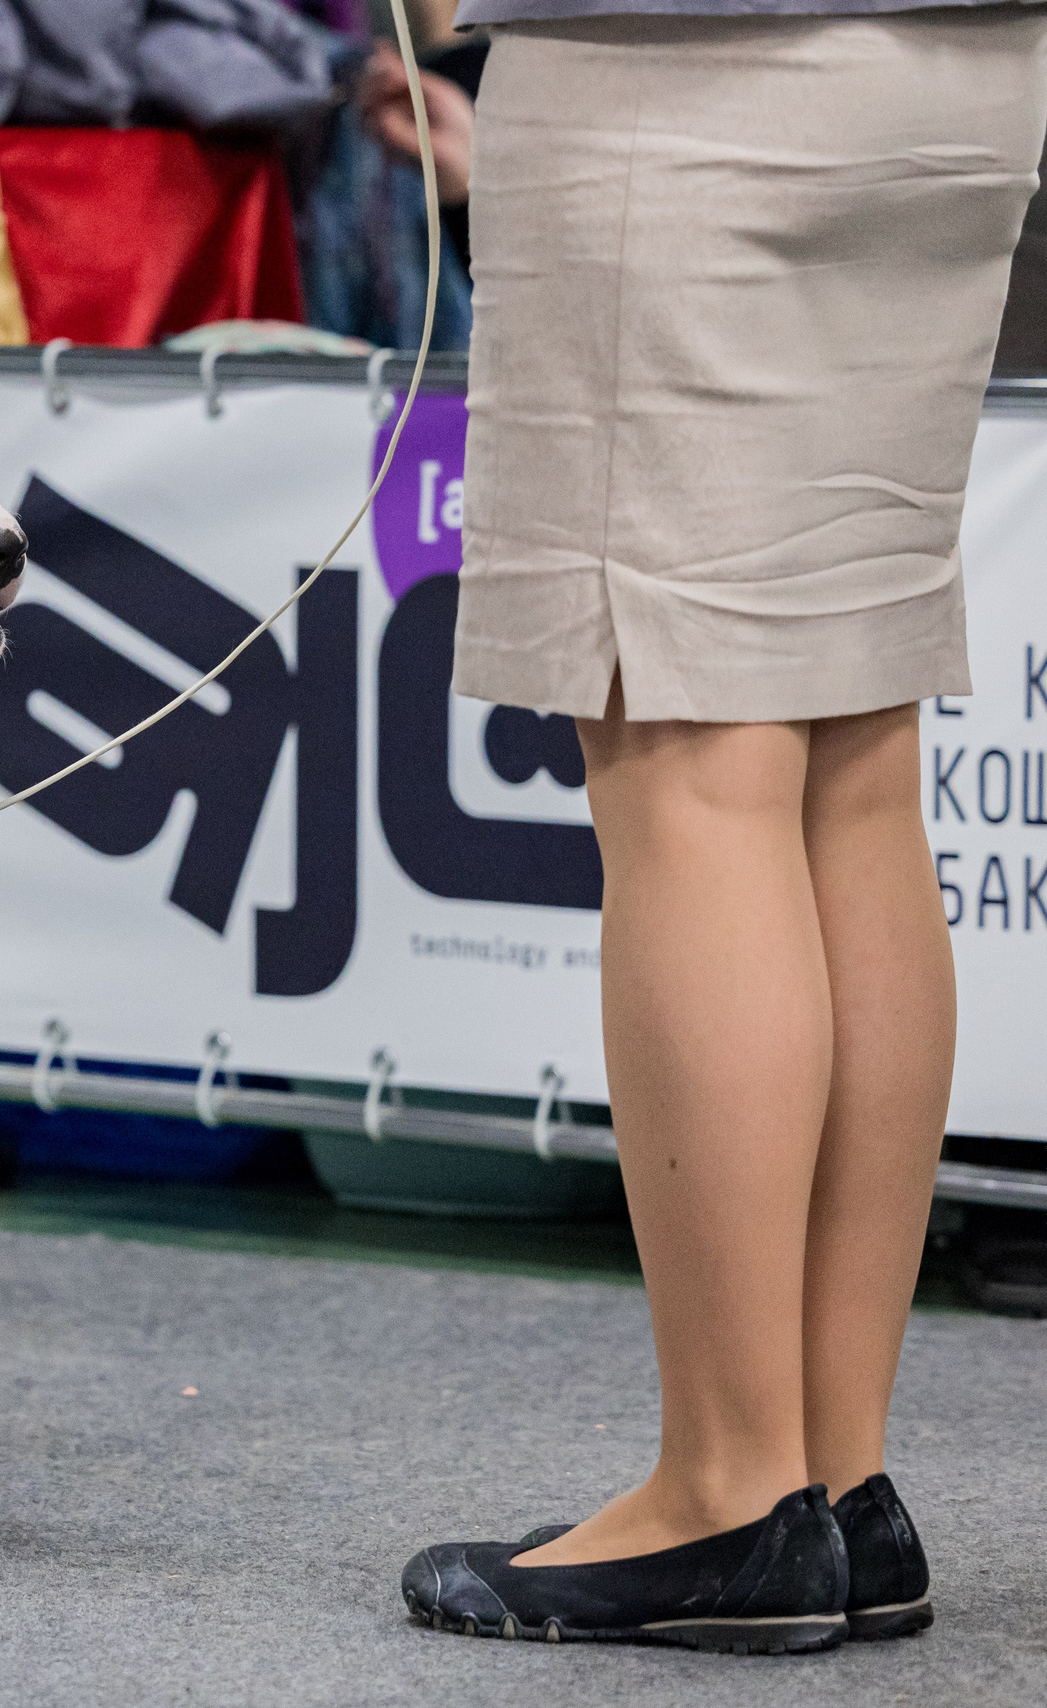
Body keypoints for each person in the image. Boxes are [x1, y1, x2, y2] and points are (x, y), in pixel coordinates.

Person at [400, 3, 1047, 1654]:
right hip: (959, 75)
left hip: (680, 74)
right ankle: (838, 1484)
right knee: (848, 742)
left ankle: (729, 1493)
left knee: (694, 754)